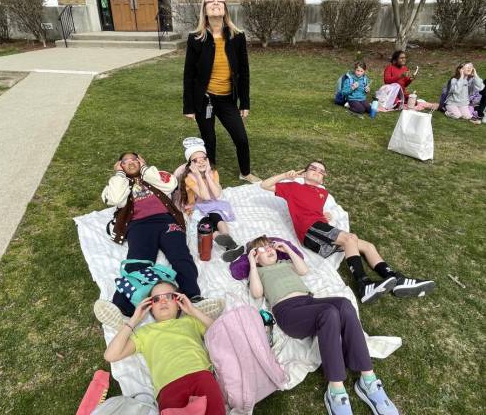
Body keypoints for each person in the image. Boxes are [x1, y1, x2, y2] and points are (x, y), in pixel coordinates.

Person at [247, 236, 399, 415]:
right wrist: (251, 262)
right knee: (329, 313)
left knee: (344, 304)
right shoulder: (259, 272)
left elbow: (303, 270)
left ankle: (368, 379)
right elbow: (257, 293)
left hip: (308, 301)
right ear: (257, 258)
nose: (269, 249)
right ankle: (336, 390)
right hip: (288, 312)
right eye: (262, 250)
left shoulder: (287, 262)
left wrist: (287, 249)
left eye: (269, 246)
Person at [260, 161, 435, 304]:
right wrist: (285, 175)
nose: (317, 172)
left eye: (321, 172)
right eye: (313, 169)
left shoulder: (323, 192)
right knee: (350, 238)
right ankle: (363, 285)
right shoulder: (292, 188)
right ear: (304, 173)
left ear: (323, 179)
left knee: (368, 246)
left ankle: (396, 278)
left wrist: (324, 216)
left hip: (321, 228)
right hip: (309, 231)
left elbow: (311, 208)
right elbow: (264, 185)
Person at [97, 152, 222, 320]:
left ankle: (194, 298)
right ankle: (121, 307)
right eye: (125, 162)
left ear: (141, 161)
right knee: (137, 262)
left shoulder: (155, 174)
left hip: (166, 221)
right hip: (138, 225)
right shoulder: (116, 183)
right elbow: (115, 198)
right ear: (120, 166)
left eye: (134, 159)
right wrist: (120, 175)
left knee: (181, 256)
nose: (131, 163)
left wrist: (145, 169)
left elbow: (170, 185)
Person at [103, 281, 226, 414]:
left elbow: (222, 335)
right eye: (156, 299)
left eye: (168, 296)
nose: (162, 301)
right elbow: (110, 355)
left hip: (201, 377)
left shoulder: (190, 321)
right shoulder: (144, 332)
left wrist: (194, 311)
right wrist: (134, 320)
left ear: (178, 303)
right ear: (150, 307)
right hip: (168, 387)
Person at [183, 0, 260, 184]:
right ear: (204, 9)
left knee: (241, 138)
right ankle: (209, 173)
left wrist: (245, 103)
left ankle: (245, 172)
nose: (216, 3)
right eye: (210, 0)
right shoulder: (196, 38)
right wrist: (189, 107)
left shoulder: (237, 36)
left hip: (227, 100)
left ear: (225, 8)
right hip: (205, 99)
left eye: (220, 0)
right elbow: (189, 75)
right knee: (209, 140)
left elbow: (244, 72)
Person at [177, 139, 244, 262]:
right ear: (190, 164)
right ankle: (230, 244)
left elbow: (217, 195)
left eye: (204, 158)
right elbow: (205, 196)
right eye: (196, 160)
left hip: (212, 204)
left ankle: (228, 240)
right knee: (204, 224)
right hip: (196, 206)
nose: (201, 162)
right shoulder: (189, 178)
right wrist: (198, 175)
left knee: (216, 216)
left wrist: (208, 175)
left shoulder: (213, 172)